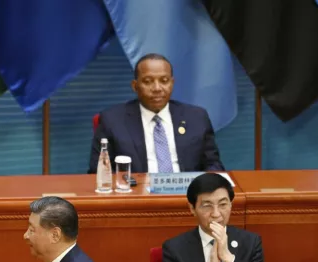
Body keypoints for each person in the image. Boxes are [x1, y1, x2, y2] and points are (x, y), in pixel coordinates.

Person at [89, 53, 223, 174]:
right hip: (137, 196)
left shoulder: (196, 117)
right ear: (135, 86)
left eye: (164, 81)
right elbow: (99, 172)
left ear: (172, 83)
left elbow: (213, 164)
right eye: (148, 82)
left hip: (188, 195)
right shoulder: (112, 120)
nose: (157, 88)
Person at [161, 173, 269, 262]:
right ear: (192, 208)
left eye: (223, 204)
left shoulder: (250, 242)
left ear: (231, 204)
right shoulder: (175, 248)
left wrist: (229, 260)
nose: (216, 214)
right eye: (207, 206)